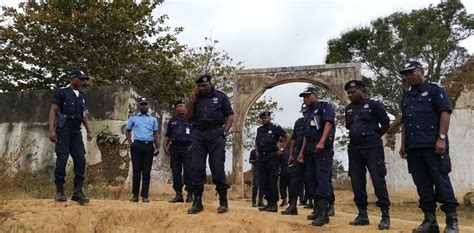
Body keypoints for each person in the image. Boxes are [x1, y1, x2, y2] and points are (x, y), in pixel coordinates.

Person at [399, 61, 459, 233]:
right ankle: (430, 221)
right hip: (413, 148)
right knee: (422, 185)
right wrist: (403, 144)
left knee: (441, 182)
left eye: (411, 72)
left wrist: (441, 138)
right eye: (406, 74)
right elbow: (405, 123)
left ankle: (452, 221)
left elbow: (445, 112)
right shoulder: (406, 97)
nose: (408, 76)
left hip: (433, 146)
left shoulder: (435, 90)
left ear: (421, 72)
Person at [344, 80, 391, 230]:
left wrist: (374, 137)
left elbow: (385, 124)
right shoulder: (349, 109)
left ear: (362, 91)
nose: (351, 95)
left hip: (372, 147)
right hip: (354, 149)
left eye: (354, 92)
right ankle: (362, 214)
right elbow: (349, 127)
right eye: (349, 93)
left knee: (378, 180)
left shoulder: (374, 105)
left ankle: (385, 215)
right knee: (357, 182)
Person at [185, 74, 234, 214]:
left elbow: (230, 116)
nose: (201, 88)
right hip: (198, 134)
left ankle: (223, 202)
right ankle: (197, 202)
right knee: (196, 167)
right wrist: (192, 102)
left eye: (204, 86)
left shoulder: (221, 97)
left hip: (215, 134)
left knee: (217, 167)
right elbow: (188, 119)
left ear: (210, 84)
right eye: (199, 86)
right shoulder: (196, 98)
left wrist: (224, 131)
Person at [48, 70, 92, 204]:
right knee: (62, 158)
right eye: (80, 79)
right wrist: (51, 130)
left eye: (84, 79)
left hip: (76, 131)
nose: (82, 81)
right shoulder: (61, 93)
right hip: (63, 129)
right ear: (73, 78)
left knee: (80, 159)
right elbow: (54, 110)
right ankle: (60, 191)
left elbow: (83, 114)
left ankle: (78, 192)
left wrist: (89, 130)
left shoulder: (83, 96)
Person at [297, 85, 335, 227]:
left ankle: (325, 214)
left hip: (322, 148)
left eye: (308, 95)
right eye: (304, 97)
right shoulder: (307, 113)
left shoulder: (325, 107)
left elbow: (328, 124)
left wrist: (322, 142)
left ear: (315, 95)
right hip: (310, 149)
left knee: (322, 179)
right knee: (311, 180)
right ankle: (318, 210)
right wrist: (301, 151)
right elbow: (307, 134)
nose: (306, 98)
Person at [125, 96, 160, 203]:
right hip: (137, 146)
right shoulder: (133, 118)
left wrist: (157, 147)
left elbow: (155, 134)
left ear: (148, 105)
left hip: (148, 146)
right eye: (141, 104)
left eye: (145, 104)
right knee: (136, 172)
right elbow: (127, 131)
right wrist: (131, 143)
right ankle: (135, 195)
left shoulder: (153, 119)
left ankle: (145, 196)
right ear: (138, 106)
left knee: (146, 172)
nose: (143, 106)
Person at [256, 111, 291, 213]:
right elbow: (257, 142)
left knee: (272, 181)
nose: (264, 119)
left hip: (272, 158)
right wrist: (257, 152)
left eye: (266, 118)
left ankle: (274, 204)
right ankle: (268, 203)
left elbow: (288, 136)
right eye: (262, 118)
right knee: (264, 182)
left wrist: (282, 149)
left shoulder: (275, 127)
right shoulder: (260, 129)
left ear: (270, 118)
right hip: (262, 158)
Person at [163, 100, 193, 203]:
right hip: (174, 148)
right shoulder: (172, 120)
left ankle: (190, 195)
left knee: (188, 172)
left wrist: (194, 144)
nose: (179, 108)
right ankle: (178, 194)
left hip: (187, 148)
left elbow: (197, 132)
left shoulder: (191, 118)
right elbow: (168, 134)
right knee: (175, 172)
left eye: (181, 106)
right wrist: (165, 145)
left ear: (185, 107)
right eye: (177, 106)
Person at [281, 104, 307, 215]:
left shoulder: (318, 117)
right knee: (295, 180)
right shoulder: (299, 122)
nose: (305, 113)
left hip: (312, 152)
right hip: (297, 154)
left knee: (314, 180)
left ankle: (324, 207)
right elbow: (293, 139)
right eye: (304, 111)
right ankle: (293, 206)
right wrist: (291, 154)